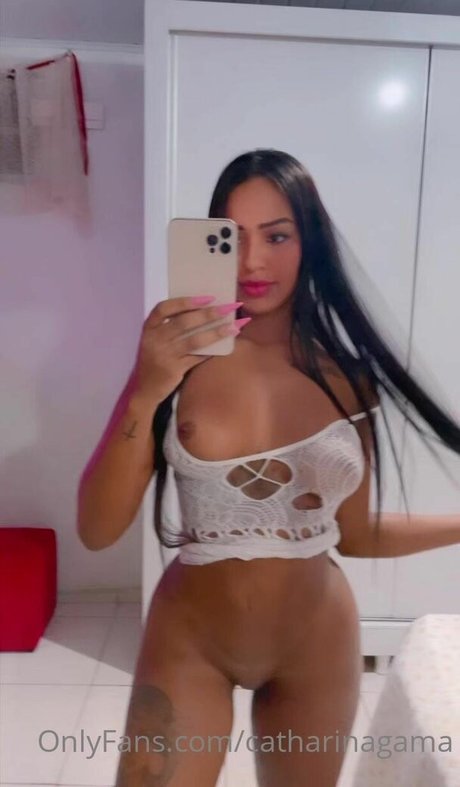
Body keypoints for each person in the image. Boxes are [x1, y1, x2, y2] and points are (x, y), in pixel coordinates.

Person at [78, 149, 460, 787]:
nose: (253, 262)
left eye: (277, 236)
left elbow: (356, 535)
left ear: (309, 243)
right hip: (191, 641)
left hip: (316, 644)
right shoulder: (175, 364)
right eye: (233, 237)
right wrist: (145, 390)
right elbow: (96, 530)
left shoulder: (348, 378)